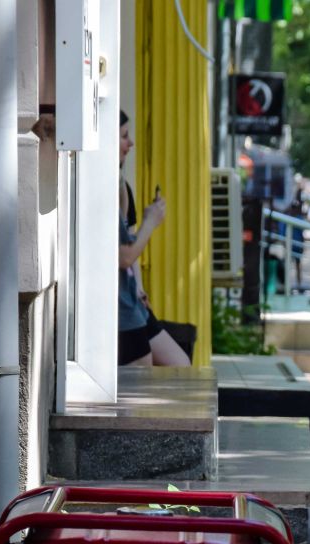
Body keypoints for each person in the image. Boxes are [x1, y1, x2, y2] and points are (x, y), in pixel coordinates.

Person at [118, 112, 191, 367]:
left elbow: (128, 244)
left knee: (179, 366)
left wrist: (138, 287)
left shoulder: (122, 187)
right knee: (141, 378)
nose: (131, 143)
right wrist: (151, 222)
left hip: (130, 302)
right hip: (117, 310)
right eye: (124, 136)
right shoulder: (100, 188)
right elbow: (125, 255)